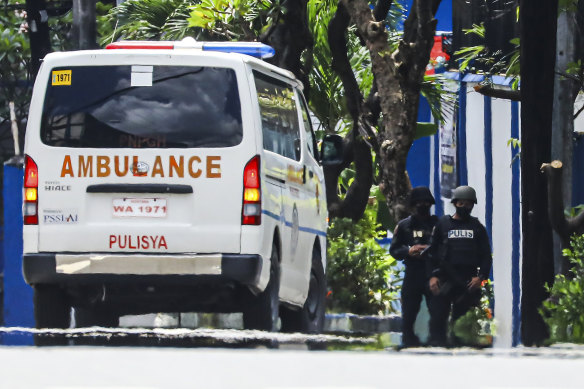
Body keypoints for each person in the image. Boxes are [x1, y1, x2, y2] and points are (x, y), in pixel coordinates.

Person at [427, 185, 492, 346]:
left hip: (467, 280)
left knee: (461, 323)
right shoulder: (443, 224)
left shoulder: (477, 227)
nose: (464, 207)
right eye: (461, 203)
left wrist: (481, 278)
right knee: (438, 318)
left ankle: (459, 350)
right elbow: (432, 253)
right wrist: (433, 276)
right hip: (445, 278)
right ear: (455, 203)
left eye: (468, 204)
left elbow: (485, 256)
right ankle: (437, 349)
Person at [390, 186, 438, 347]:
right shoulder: (404, 226)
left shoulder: (439, 224)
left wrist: (430, 250)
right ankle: (408, 343)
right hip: (413, 273)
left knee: (438, 313)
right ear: (413, 204)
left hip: (434, 273)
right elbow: (394, 249)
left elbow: (448, 247)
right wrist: (409, 251)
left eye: (426, 202)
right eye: (418, 202)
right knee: (409, 313)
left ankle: (437, 342)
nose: (422, 205)